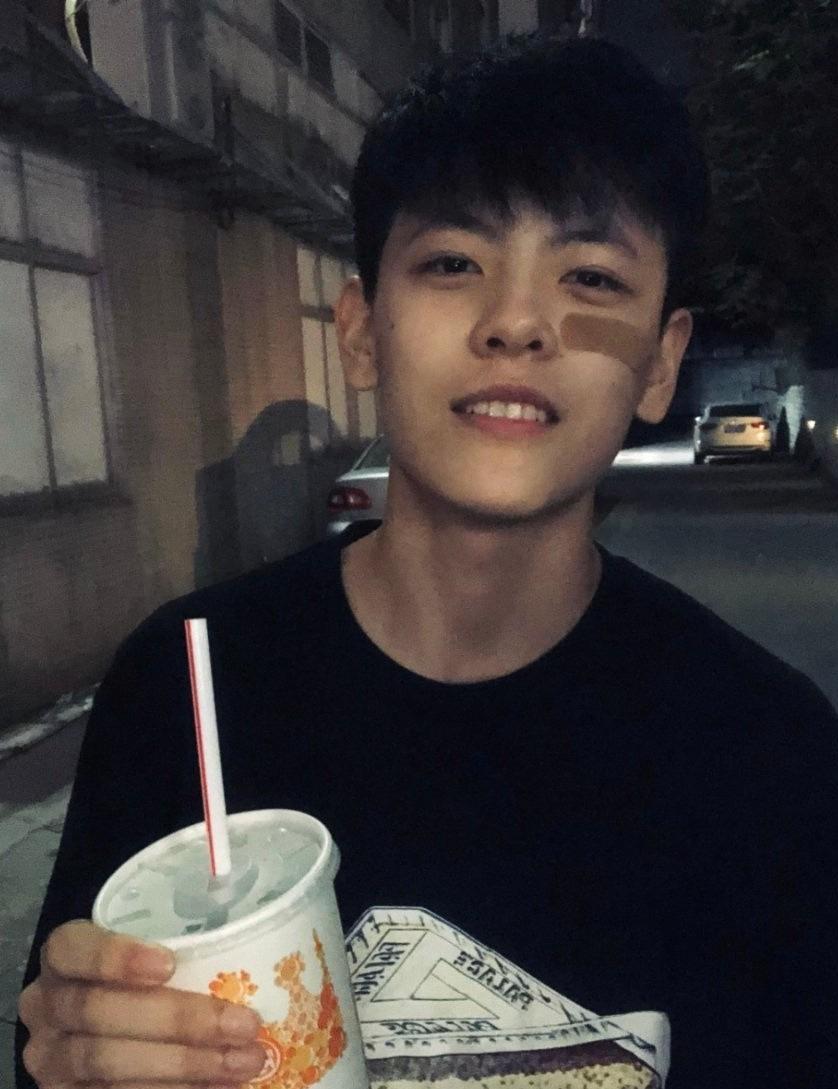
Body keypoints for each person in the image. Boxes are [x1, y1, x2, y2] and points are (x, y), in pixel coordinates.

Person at [16, 33, 838, 1089]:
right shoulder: (185, 683)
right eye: (454, 263)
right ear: (362, 329)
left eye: (590, 276)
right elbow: (67, 1049)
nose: (516, 323)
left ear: (659, 361)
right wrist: (75, 1051)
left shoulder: (768, 751)